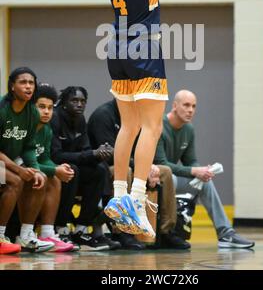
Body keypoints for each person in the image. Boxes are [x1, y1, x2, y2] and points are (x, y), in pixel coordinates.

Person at [102, 0, 213, 238]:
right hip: (143, 48)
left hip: (116, 47)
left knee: (128, 126)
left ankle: (118, 195)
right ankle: (135, 198)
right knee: (150, 126)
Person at [154, 90, 255, 249]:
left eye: (194, 106)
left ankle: (225, 234)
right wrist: (194, 171)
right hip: (155, 178)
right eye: (186, 105)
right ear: (174, 106)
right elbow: (162, 163)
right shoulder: (158, 125)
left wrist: (202, 170)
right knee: (170, 178)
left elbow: (190, 161)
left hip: (172, 177)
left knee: (205, 182)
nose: (190, 110)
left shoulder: (189, 129)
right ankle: (167, 231)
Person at [88, 99, 190, 249]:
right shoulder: (103, 115)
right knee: (127, 171)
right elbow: (109, 153)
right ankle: (122, 230)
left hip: (133, 163)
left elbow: (142, 147)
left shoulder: (140, 114)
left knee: (165, 172)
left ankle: (167, 231)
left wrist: (150, 167)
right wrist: (142, 167)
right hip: (105, 167)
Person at [50, 86, 120, 251]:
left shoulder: (81, 120)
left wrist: (100, 153)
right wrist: (91, 154)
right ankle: (61, 228)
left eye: (82, 101)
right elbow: (56, 155)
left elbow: (85, 150)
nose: (79, 105)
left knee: (99, 170)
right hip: (57, 168)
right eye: (74, 101)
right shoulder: (55, 118)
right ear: (64, 103)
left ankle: (82, 228)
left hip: (76, 168)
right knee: (72, 169)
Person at [0, 67, 54, 253]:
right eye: (23, 82)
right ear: (12, 86)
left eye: (31, 83)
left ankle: (26, 235)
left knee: (39, 178)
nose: (28, 86)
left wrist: (35, 169)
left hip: (8, 161)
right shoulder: (2, 109)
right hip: (2, 160)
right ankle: (0, 236)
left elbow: (29, 146)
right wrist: (19, 169)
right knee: (15, 180)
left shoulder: (32, 112)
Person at [34, 83, 75, 252]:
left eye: (50, 108)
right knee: (42, 176)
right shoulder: (27, 127)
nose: (46, 112)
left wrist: (58, 168)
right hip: (13, 167)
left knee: (55, 179)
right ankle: (22, 233)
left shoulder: (46, 130)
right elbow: (24, 161)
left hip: (28, 168)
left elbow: (44, 158)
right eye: (41, 107)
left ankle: (47, 233)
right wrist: (53, 170)